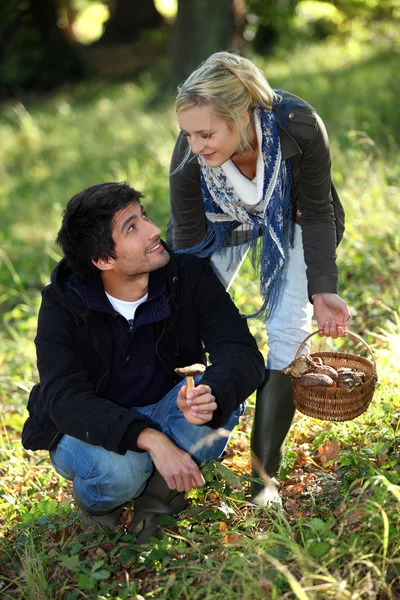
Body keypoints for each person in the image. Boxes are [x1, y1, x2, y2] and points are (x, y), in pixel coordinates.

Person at [22, 182, 265, 541]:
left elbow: (241, 354)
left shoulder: (189, 275)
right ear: (103, 260)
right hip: (88, 426)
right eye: (132, 227)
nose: (154, 231)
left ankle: (158, 500)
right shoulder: (63, 305)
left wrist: (211, 391)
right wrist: (150, 439)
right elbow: (65, 399)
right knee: (122, 471)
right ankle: (100, 504)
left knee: (219, 399)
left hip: (168, 407)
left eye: (144, 217)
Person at [167, 51, 351, 505]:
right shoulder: (190, 158)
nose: (195, 145)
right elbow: (189, 246)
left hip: (293, 218)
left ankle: (263, 477)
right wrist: (183, 307)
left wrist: (322, 290)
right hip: (219, 224)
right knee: (179, 317)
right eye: (188, 133)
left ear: (243, 116)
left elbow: (318, 210)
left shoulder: (299, 126)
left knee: (288, 326)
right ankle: (176, 439)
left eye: (206, 133)